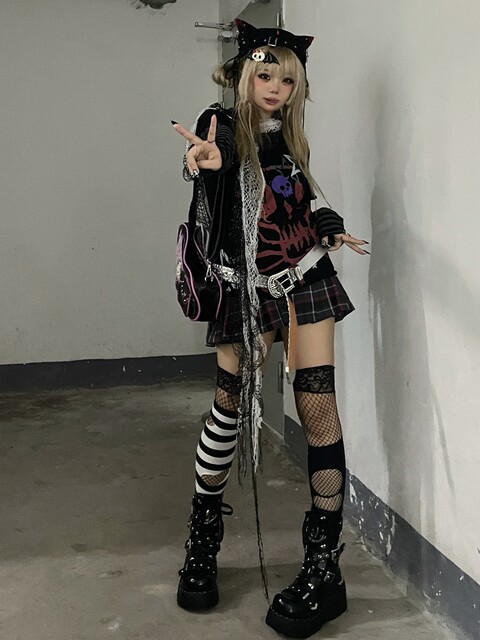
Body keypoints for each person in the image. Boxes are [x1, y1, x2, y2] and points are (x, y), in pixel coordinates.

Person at [171, 19, 368, 639]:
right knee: (228, 408)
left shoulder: (288, 135)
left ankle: (324, 567)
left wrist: (328, 223)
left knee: (319, 411)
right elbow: (217, 160)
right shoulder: (222, 125)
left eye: (286, 79)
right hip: (246, 290)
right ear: (243, 77)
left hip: (305, 282)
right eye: (265, 75)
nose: (275, 88)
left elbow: (301, 197)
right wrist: (205, 161)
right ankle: (203, 538)